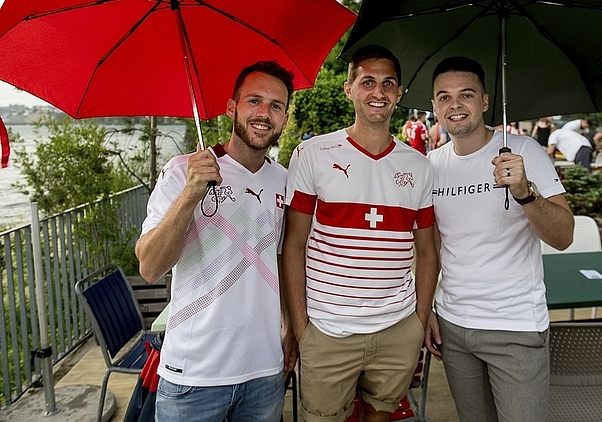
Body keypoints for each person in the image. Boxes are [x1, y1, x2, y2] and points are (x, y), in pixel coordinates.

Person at [282, 45, 439, 422]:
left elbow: (428, 252)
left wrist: (418, 320)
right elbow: (293, 246)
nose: (378, 92)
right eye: (367, 81)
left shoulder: (419, 166)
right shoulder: (312, 155)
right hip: (327, 330)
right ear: (349, 88)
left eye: (388, 83)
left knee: (380, 416)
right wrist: (302, 328)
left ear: (399, 93)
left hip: (397, 328)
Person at [135, 61, 297, 422]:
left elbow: (284, 259)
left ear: (285, 118)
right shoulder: (183, 171)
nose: (264, 114)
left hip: (264, 371)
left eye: (276, 105)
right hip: (194, 375)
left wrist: (290, 326)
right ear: (231, 108)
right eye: (254, 100)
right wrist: (191, 194)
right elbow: (149, 266)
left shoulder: (285, 182)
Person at [425, 56, 574, 422]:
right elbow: (430, 247)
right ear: (433, 107)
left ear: (486, 101)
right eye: (444, 97)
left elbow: (564, 236)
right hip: (454, 326)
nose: (455, 105)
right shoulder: (430, 165)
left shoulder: (523, 152)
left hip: (516, 326)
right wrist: (427, 307)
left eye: (466, 95)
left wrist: (526, 193)